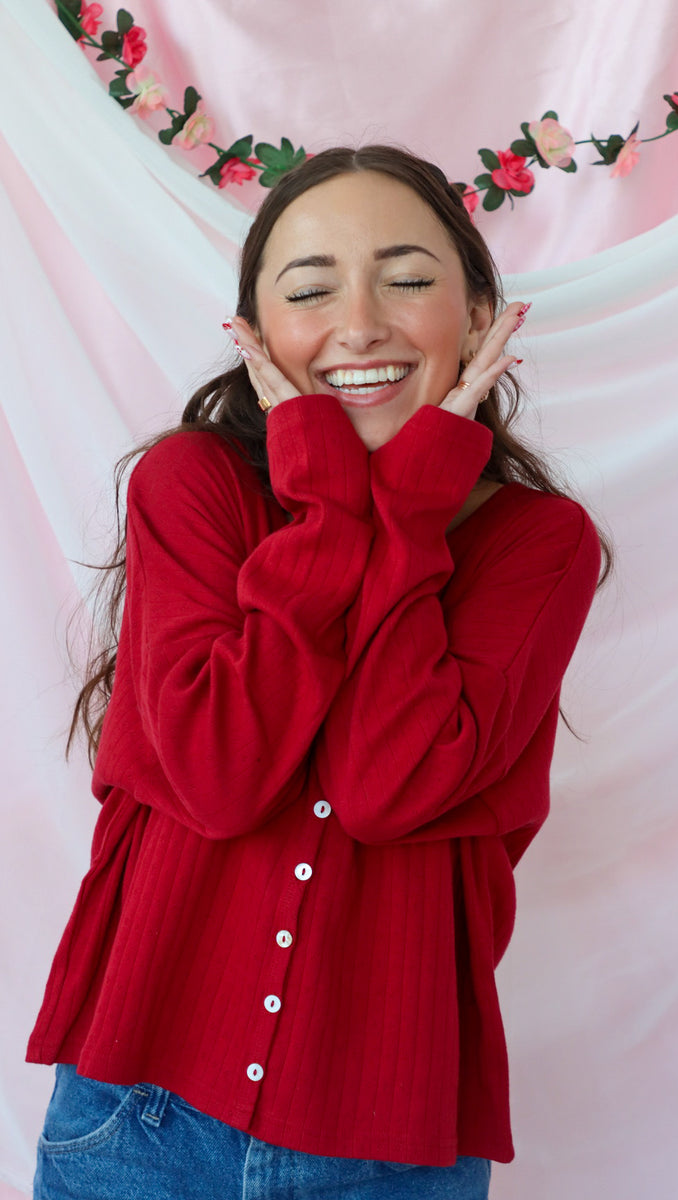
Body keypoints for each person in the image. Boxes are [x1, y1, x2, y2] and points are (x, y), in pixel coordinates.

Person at [27, 144, 609, 1199]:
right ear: (253, 332)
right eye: (309, 290)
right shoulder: (190, 486)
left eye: (408, 279)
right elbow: (220, 776)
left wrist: (412, 504)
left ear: (479, 315)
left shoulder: (540, 545)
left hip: (391, 1142)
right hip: (140, 1112)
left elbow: (390, 787)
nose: (360, 323)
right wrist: (335, 504)